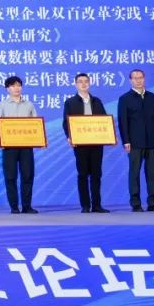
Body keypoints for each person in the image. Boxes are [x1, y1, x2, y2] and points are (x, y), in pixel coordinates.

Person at [118, 69, 154, 212]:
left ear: (144, 79)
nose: (138, 80)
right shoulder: (125, 98)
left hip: (152, 141)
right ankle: (135, 203)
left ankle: (153, 203)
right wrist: (126, 141)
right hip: (134, 142)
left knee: (152, 174)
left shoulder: (152, 97)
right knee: (134, 173)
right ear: (130, 80)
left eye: (140, 77)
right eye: (135, 78)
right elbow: (123, 122)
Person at [0, 76, 40, 214]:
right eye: (13, 86)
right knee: (10, 176)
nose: (16, 88)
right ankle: (14, 207)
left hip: (26, 146)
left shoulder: (29, 105)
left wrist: (39, 140)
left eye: (18, 85)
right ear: (7, 89)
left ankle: (27, 206)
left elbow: (36, 125)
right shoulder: (2, 105)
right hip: (9, 147)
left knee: (27, 175)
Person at [64, 73, 109, 213]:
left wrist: (109, 136)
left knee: (96, 174)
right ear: (76, 84)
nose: (83, 84)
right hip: (80, 143)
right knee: (82, 174)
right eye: (80, 81)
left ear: (89, 83)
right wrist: (69, 137)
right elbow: (66, 122)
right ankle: (85, 205)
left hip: (96, 143)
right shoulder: (70, 102)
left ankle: (97, 205)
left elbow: (105, 121)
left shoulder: (97, 101)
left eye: (86, 81)